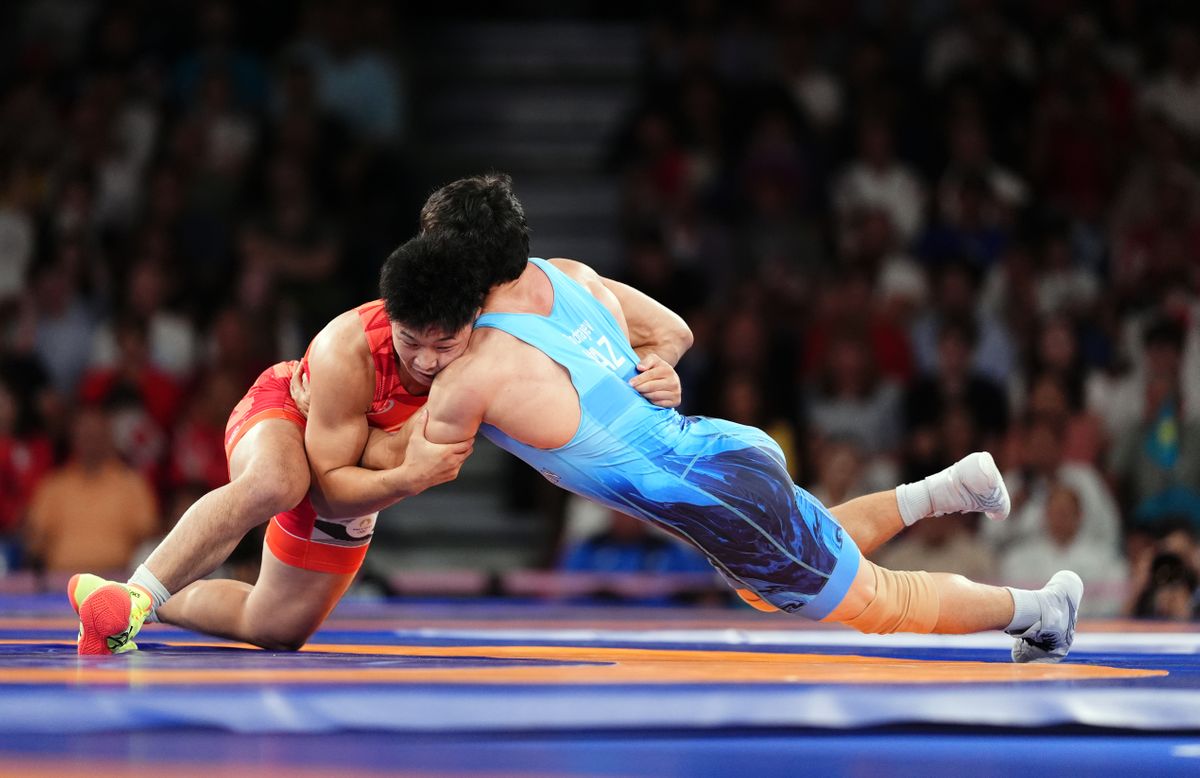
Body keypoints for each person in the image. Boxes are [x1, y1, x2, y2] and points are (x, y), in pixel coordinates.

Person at [370, 231, 1083, 663]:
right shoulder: (562, 284)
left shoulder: (481, 367)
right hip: (724, 450)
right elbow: (673, 331)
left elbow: (413, 467)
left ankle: (1040, 611)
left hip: (719, 497)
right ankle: (947, 489)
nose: (429, 357)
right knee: (774, 583)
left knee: (883, 600)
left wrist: (335, 451)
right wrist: (654, 372)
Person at [69, 174, 692, 655]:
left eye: (442, 346)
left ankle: (131, 599)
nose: (424, 362)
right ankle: (135, 597)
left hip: (366, 460)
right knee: (280, 482)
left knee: (276, 628)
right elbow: (333, 491)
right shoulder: (350, 346)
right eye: (409, 342)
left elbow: (669, 329)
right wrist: (406, 476)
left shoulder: (526, 308)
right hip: (291, 417)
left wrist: (658, 363)